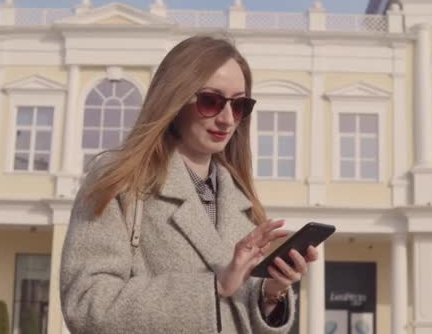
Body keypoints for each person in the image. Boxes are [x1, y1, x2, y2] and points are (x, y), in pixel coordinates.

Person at [60, 34, 319, 334]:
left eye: (239, 106)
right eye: (211, 101)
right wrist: (213, 287)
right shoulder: (119, 180)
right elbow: (86, 303)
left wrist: (271, 293)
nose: (226, 119)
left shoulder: (242, 203)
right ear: (175, 99)